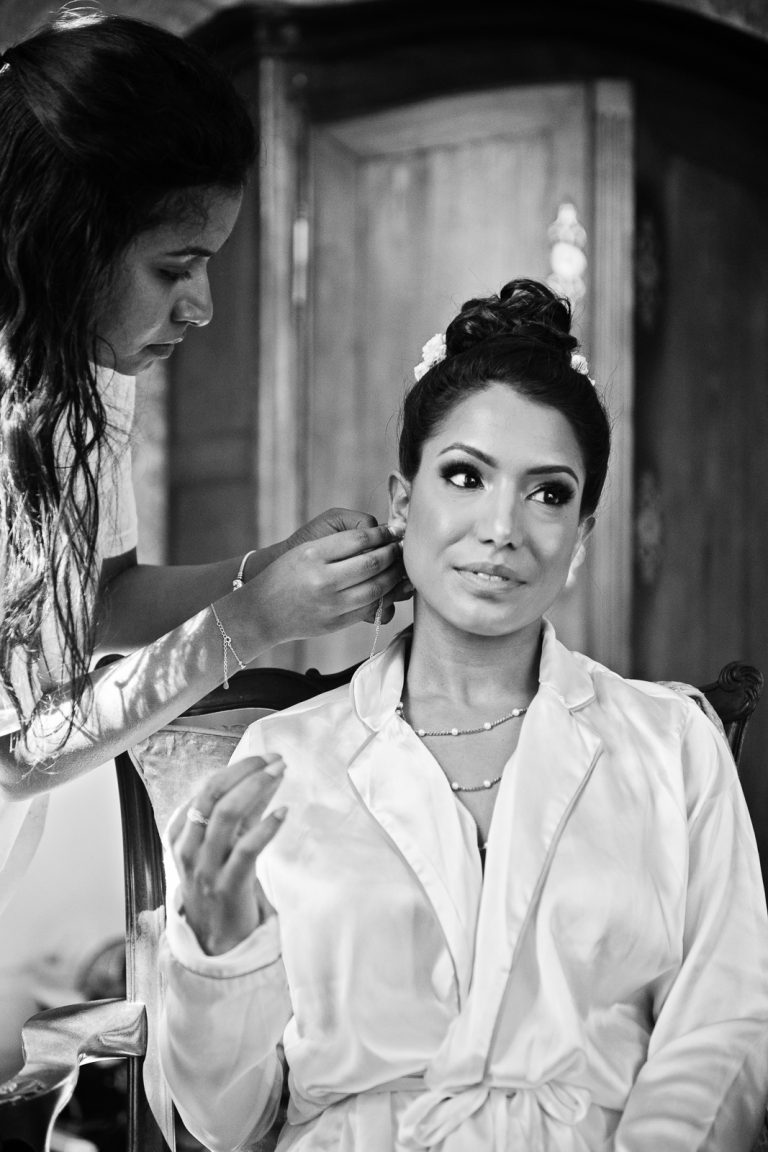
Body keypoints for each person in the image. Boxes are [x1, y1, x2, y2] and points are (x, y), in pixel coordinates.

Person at [159, 279, 768, 1151]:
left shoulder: (672, 745)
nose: (501, 527)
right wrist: (221, 958)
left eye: (549, 494)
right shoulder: (283, 758)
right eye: (466, 475)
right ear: (404, 501)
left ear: (584, 533)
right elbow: (226, 1124)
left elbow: (724, 1036)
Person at [0, 12, 406, 912]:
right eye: (175, 268)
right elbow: (23, 748)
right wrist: (255, 619)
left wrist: (273, 569)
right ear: (69, 240)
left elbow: (103, 603)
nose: (203, 306)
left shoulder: (85, 375)